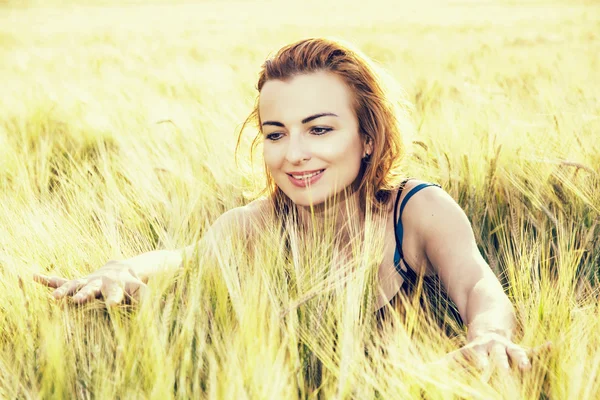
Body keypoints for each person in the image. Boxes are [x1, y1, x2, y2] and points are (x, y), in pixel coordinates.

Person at [34, 37, 546, 372]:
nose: (294, 154)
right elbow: (186, 259)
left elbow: (477, 282)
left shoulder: (416, 211)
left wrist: (490, 337)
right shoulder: (253, 226)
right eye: (276, 134)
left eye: (320, 129)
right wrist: (119, 269)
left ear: (368, 136)